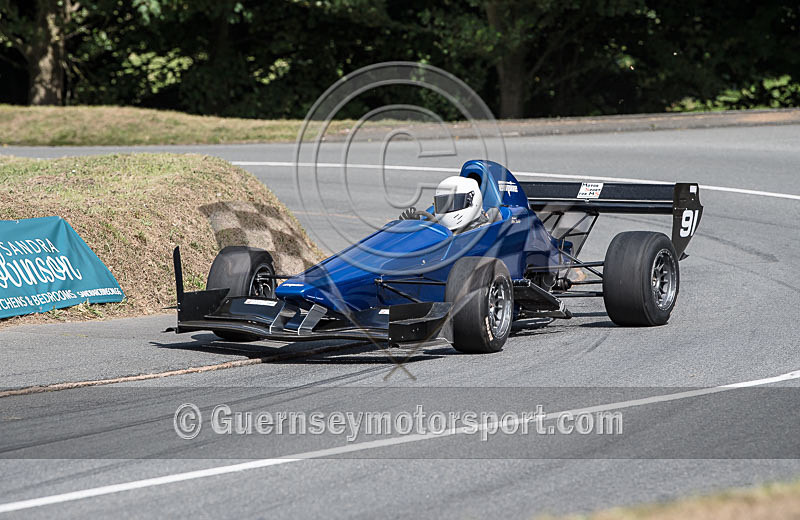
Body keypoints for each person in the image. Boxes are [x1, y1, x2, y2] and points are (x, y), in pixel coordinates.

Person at [399, 176, 488, 233]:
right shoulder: (435, 224)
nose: (448, 208)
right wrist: (411, 226)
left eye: (454, 203)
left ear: (471, 200)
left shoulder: (484, 232)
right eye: (443, 203)